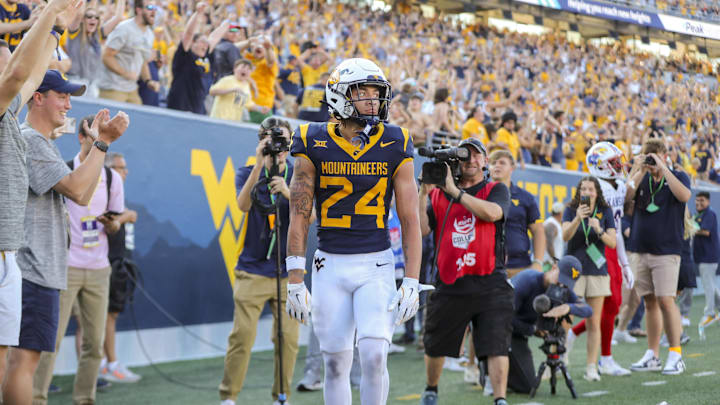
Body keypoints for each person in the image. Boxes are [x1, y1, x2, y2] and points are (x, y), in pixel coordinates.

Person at [285, 58, 423, 405]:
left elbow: (410, 219)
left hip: (376, 264)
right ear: (339, 95)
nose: (373, 101)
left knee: (375, 357)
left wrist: (411, 280)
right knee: (335, 363)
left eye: (376, 93)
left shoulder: (396, 141)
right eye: (364, 92)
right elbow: (299, 214)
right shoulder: (310, 139)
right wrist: (294, 278)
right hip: (329, 265)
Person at [7, 69, 128, 405]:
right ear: (38, 98)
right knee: (23, 363)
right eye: (61, 95)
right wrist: (102, 143)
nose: (67, 103)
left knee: (24, 361)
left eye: (69, 96)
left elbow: (84, 194)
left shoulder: (39, 140)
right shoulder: (31, 138)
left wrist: (97, 146)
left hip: (41, 268)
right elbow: (78, 190)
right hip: (34, 268)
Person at [1, 0, 79, 394]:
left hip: (9, 254)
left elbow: (27, 77)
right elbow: (19, 73)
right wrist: (49, 15)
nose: (7, 61)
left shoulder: (9, 113)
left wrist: (53, 31)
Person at [33, 112, 126, 404]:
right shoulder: (63, 170)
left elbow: (116, 221)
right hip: (65, 267)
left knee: (94, 345)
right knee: (50, 341)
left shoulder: (112, 178)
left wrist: (112, 224)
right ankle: (36, 397)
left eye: (103, 136)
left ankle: (85, 399)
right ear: (82, 137)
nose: (99, 140)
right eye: (94, 134)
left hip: (99, 269)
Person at [418, 137, 512, 405]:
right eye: (463, 155)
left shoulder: (496, 189)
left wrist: (456, 192)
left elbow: (493, 214)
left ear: (484, 161)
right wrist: (423, 192)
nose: (469, 160)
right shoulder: (438, 193)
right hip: (449, 281)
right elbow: (423, 229)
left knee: (495, 344)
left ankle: (500, 398)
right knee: (435, 342)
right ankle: (431, 389)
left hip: (490, 280)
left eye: (475, 155)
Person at [219, 117, 299, 405]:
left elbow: (311, 218)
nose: (279, 147)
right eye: (271, 140)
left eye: (283, 141)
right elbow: (242, 205)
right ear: (260, 142)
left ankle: (281, 397)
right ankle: (228, 398)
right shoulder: (246, 172)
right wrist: (259, 165)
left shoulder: (299, 175)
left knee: (288, 341)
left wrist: (289, 192)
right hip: (252, 270)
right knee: (241, 338)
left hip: (288, 272)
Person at [567, 142, 634, 377]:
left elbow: (614, 230)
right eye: (614, 163)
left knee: (613, 304)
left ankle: (576, 335)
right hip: (595, 251)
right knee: (608, 305)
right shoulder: (596, 188)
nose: (619, 166)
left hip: (610, 247)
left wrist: (624, 262)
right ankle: (604, 358)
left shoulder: (617, 186)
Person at [625, 138, 692, 375]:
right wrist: (639, 168)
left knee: (666, 300)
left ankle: (676, 354)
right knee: (650, 302)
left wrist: (663, 169)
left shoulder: (677, 176)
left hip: (666, 250)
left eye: (656, 154)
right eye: (648, 154)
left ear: (664, 155)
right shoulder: (641, 178)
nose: (652, 159)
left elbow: (684, 196)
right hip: (640, 248)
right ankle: (652, 355)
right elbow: (626, 198)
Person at [507, 256, 592, 394]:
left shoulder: (562, 289)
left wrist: (569, 308)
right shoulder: (527, 280)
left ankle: (506, 371)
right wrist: (534, 330)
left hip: (519, 334)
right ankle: (487, 369)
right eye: (560, 279)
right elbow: (504, 317)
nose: (561, 285)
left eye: (566, 284)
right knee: (500, 343)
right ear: (554, 267)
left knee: (527, 386)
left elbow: (588, 310)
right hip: (500, 329)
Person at [561, 176, 616, 381]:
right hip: (573, 270)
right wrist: (577, 218)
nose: (587, 192)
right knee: (567, 317)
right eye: (583, 188)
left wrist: (598, 229)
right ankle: (561, 358)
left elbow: (611, 243)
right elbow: (565, 236)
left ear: (597, 191)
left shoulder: (605, 210)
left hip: (597, 270)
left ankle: (591, 367)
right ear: (579, 191)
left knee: (594, 321)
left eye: (591, 189)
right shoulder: (570, 208)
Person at [99, 151, 141, 383]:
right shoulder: (101, 192)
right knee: (107, 315)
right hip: (105, 263)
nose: (125, 172)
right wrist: (126, 216)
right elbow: (104, 222)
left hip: (119, 262)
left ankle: (107, 362)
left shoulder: (116, 193)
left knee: (111, 313)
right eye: (120, 167)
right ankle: (110, 363)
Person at [488, 149, 545, 277]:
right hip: (487, 267)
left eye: (502, 163)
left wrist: (538, 262)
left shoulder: (525, 197)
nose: (497, 165)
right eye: (493, 163)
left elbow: (538, 231)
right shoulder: (481, 195)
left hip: (519, 267)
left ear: (512, 168)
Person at [166, 2, 228, 114]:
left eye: (206, 43)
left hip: (198, 108)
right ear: (192, 44)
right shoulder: (185, 55)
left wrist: (227, 24)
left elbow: (214, 37)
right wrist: (198, 13)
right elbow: (188, 33)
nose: (206, 45)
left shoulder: (206, 58)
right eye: (202, 42)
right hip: (180, 106)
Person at [98, 0, 156, 104]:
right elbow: (106, 56)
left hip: (132, 89)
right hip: (113, 87)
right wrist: (126, 74)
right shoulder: (124, 28)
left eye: (155, 8)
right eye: (150, 7)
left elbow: (142, 61)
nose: (154, 11)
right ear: (138, 10)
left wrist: (148, 80)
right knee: (110, 119)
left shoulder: (150, 34)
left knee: (138, 118)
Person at [693, 191, 720, 332]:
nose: (698, 203)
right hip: (703, 256)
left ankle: (709, 313)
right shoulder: (700, 215)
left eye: (702, 200)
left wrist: (690, 228)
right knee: (710, 284)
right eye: (697, 201)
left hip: (708, 256)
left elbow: (706, 231)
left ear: (708, 201)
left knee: (708, 285)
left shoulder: (709, 213)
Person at [543, 202, 565, 269]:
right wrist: (555, 261)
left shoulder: (555, 223)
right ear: (561, 213)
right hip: (547, 264)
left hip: (550, 264)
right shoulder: (551, 224)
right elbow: (549, 245)